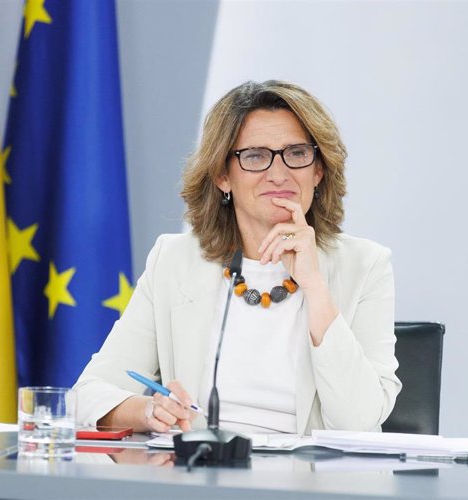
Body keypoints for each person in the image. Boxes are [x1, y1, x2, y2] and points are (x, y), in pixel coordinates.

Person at [73, 80, 401, 436]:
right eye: (256, 156)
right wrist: (149, 411)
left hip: (307, 486)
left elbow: (360, 422)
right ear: (222, 176)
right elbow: (86, 396)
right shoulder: (174, 261)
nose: (279, 174)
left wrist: (316, 287)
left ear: (318, 171)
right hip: (198, 479)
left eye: (297, 153)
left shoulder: (366, 266)